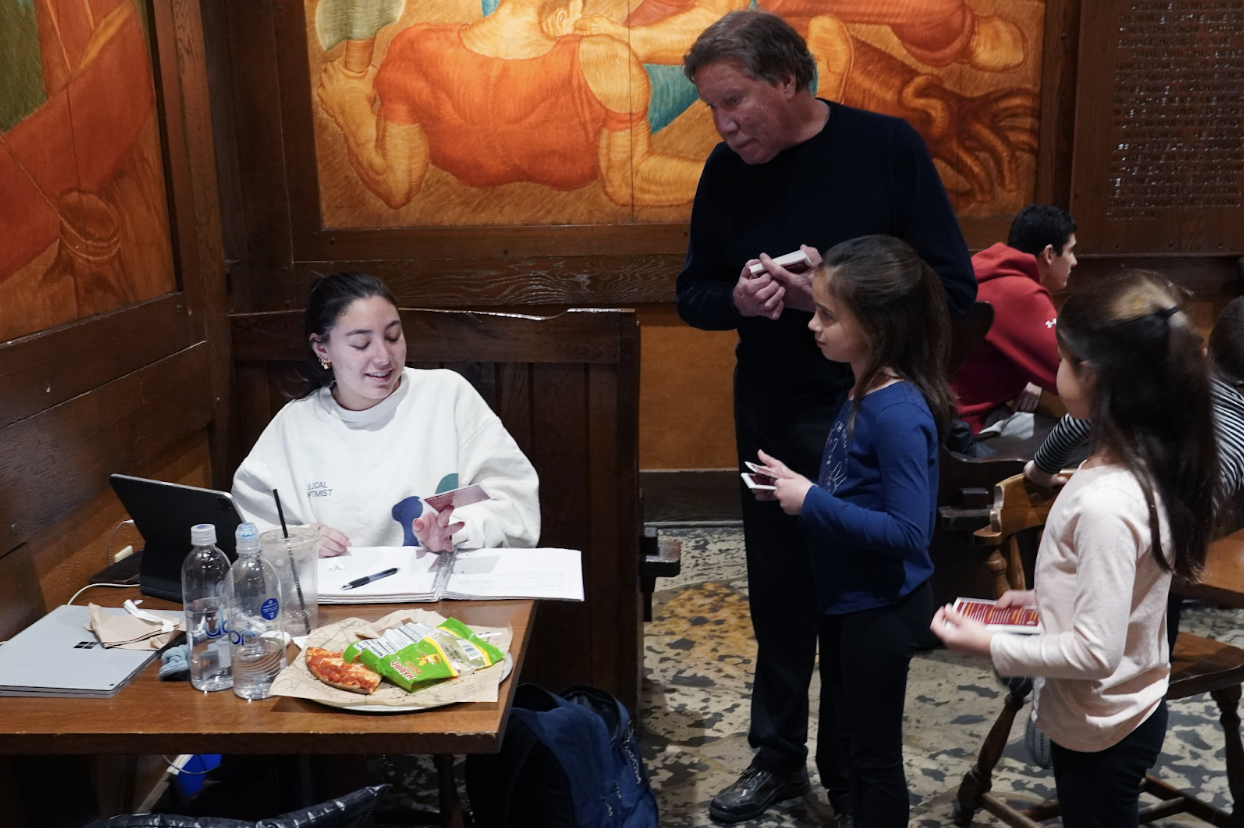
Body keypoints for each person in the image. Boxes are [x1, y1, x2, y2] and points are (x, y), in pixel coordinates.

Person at [676, 11, 976, 823]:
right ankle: (777, 760)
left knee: (858, 592)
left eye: (734, 101)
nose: (723, 123)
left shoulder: (886, 148)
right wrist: (739, 302)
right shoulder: (726, 170)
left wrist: (832, 295)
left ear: (788, 80)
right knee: (778, 589)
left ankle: (851, 775)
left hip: (871, 407)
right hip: (771, 400)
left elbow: (953, 291)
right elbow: (692, 292)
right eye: (710, 107)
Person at [932, 272, 1219, 828]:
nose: (1054, 369)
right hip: (1122, 708)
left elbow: (1094, 653)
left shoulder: (1106, 502)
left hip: (1103, 723)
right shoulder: (1140, 460)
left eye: (1062, 359)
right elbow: (1123, 590)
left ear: (1091, 375)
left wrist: (991, 643)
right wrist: (1046, 599)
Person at [755, 235, 954, 827]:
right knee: (845, 746)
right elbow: (855, 486)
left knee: (874, 759)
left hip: (882, 607)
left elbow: (909, 532)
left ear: (878, 326)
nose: (812, 325)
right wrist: (797, 485)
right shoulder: (862, 388)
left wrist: (811, 501)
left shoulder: (897, 413)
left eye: (827, 315)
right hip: (849, 597)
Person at [231, 272, 541, 557]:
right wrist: (299, 540)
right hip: (338, 594)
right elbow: (248, 527)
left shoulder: (446, 395)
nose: (383, 357)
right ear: (322, 349)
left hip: (441, 586)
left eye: (392, 337)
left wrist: (457, 529)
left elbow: (513, 498)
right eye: (361, 344)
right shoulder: (295, 425)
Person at [315, 0, 702, 210]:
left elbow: (395, 183)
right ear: (570, 12)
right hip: (604, 98)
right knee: (714, 20)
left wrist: (349, 104)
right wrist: (727, 176)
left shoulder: (415, 48)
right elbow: (629, 180)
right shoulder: (608, 61)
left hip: (531, 70)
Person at [1026, 294, 1244, 649]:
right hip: (1164, 564)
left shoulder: (1160, 392)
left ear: (1207, 351)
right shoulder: (1237, 432)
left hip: (1113, 559)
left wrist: (1040, 469)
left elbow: (1078, 422)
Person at [951, 204, 1078, 433]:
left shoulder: (986, 270)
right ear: (1049, 254)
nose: (1074, 261)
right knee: (1086, 440)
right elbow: (1072, 376)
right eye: (1070, 251)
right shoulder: (1019, 293)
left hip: (949, 412)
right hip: (969, 426)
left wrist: (1034, 376)